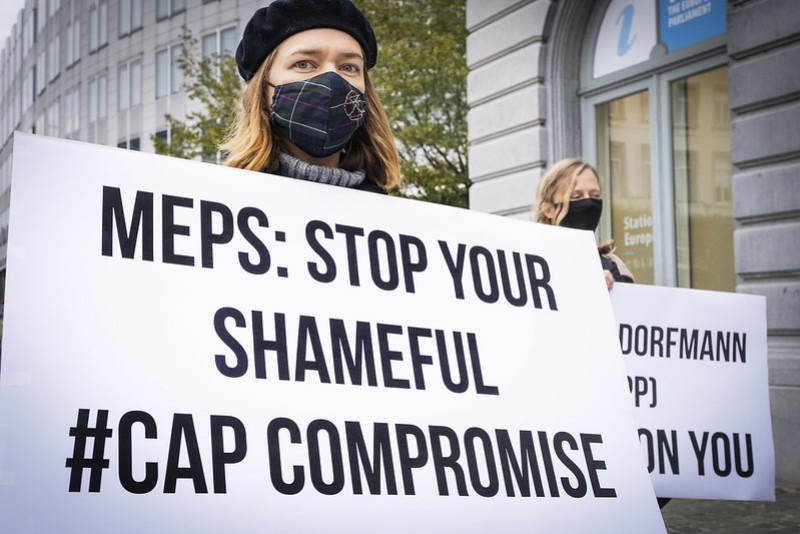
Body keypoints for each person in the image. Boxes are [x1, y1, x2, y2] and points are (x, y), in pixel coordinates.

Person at [222, 0, 400, 193]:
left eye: (348, 67)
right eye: (304, 64)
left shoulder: (393, 218)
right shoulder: (223, 198)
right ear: (262, 88)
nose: (331, 79)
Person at [534, 158, 634, 290]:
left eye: (595, 195)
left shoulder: (613, 266)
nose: (588, 202)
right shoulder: (529, 260)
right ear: (549, 210)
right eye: (576, 197)